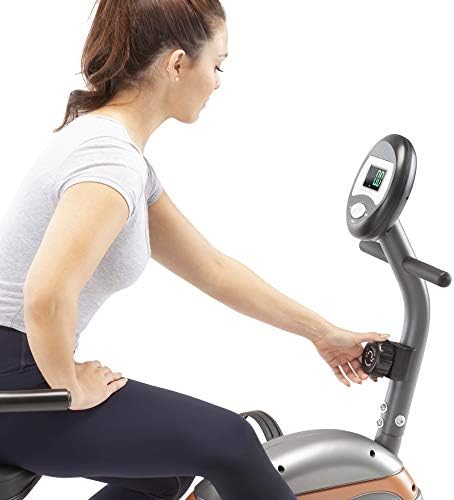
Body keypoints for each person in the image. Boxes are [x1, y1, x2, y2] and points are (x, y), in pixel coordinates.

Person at [0, 1, 390, 499]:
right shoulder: (109, 161)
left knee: (163, 474)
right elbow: (46, 295)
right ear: (178, 64)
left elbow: (212, 269)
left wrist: (324, 334)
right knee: (230, 441)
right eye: (218, 65)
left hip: (18, 373)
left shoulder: (115, 153)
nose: (218, 82)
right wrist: (68, 387)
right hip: (16, 387)